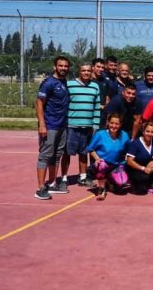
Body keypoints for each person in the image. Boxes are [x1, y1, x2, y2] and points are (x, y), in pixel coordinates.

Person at [34, 56, 71, 200]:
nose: (63, 68)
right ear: (54, 67)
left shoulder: (64, 82)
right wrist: (42, 124)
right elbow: (39, 103)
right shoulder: (48, 83)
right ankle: (40, 188)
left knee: (57, 155)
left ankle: (51, 183)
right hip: (50, 125)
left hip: (62, 125)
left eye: (66, 66)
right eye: (61, 66)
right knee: (45, 155)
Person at [61, 63, 101, 189]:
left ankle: (83, 177)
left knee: (84, 152)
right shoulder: (69, 85)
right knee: (67, 152)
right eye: (83, 70)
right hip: (71, 125)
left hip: (88, 126)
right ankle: (63, 179)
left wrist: (95, 124)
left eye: (89, 71)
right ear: (79, 71)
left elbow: (96, 107)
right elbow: (64, 104)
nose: (86, 73)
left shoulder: (95, 86)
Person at [87, 114, 129, 200]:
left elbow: (129, 151)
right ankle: (101, 189)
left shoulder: (125, 135)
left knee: (121, 183)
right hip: (102, 164)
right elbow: (90, 149)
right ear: (108, 123)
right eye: (111, 123)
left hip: (116, 165)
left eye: (116, 124)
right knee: (101, 165)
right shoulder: (99, 134)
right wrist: (97, 158)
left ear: (120, 125)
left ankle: (109, 181)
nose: (114, 126)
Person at [125, 121, 153, 195]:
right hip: (134, 169)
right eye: (147, 131)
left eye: (152, 132)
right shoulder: (135, 143)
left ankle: (148, 184)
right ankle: (133, 182)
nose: (149, 134)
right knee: (141, 192)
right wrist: (143, 168)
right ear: (143, 132)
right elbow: (129, 161)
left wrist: (152, 162)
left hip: (147, 168)